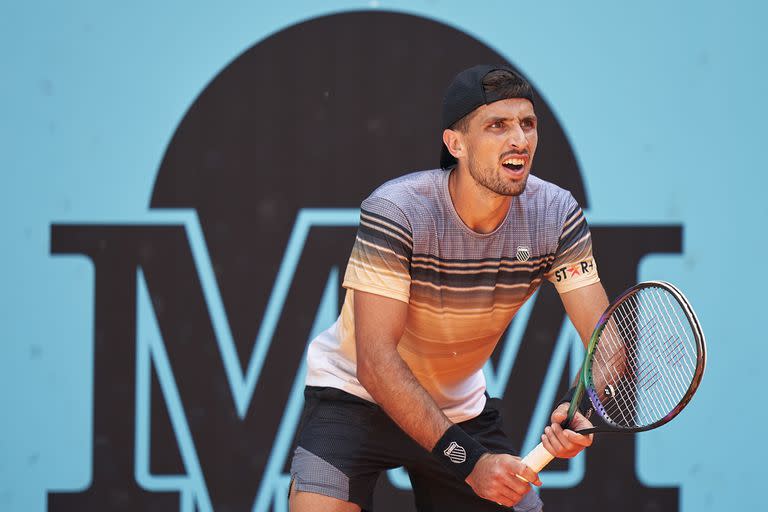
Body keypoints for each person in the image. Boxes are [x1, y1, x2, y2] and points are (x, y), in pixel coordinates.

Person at [288, 64, 609, 512]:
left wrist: (582, 410)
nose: (519, 139)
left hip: (459, 410)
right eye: (497, 125)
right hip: (356, 398)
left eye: (527, 124)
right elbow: (377, 363)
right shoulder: (398, 211)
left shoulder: (555, 215)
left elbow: (606, 342)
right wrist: (470, 462)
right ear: (455, 143)